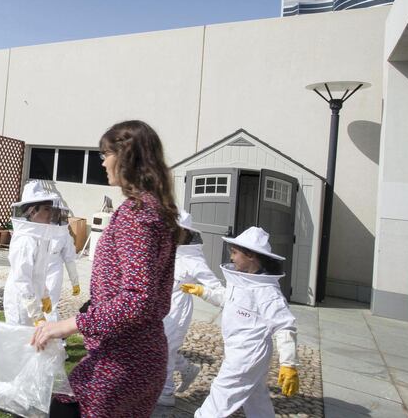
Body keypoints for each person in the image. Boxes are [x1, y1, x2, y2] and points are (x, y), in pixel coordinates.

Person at [31, 120, 179, 418]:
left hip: (123, 361)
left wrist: (68, 325)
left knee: (58, 409)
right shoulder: (155, 209)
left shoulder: (136, 214)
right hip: (140, 355)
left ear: (126, 157)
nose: (101, 162)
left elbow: (136, 299)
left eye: (105, 154)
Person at [181, 226, 299, 417]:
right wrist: (203, 292)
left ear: (251, 255)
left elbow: (284, 325)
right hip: (242, 350)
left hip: (247, 354)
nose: (232, 258)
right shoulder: (244, 281)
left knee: (221, 395)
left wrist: (289, 364)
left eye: (235, 253)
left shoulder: (266, 291)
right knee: (256, 396)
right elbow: (228, 299)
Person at [157, 210, 221, 407]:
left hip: (177, 311)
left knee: (166, 349)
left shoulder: (194, 259)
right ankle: (187, 370)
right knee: (159, 347)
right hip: (159, 308)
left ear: (184, 232)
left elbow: (218, 289)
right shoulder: (166, 250)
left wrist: (202, 291)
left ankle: (166, 394)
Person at [3, 180, 63, 326]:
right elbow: (22, 278)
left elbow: (39, 273)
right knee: (20, 344)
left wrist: (44, 295)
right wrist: (36, 312)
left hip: (32, 300)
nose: (51, 214)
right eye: (47, 209)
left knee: (32, 344)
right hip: (20, 302)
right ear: (32, 211)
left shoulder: (40, 238)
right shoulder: (25, 240)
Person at [44, 203, 80, 323]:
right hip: (38, 269)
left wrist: (75, 282)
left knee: (51, 304)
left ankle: (54, 338)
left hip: (54, 270)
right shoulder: (38, 228)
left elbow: (69, 259)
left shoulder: (64, 233)